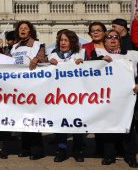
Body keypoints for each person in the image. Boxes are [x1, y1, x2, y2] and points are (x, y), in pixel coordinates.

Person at [91, 29, 138, 167]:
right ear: (104, 41)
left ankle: (130, 156)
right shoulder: (98, 54)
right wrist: (101, 61)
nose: (112, 40)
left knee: (129, 127)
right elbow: (90, 70)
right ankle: (109, 155)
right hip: (108, 98)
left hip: (127, 97)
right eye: (109, 37)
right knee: (108, 126)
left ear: (120, 40)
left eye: (115, 37)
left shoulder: (132, 55)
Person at [10, 20, 47, 160]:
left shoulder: (38, 45)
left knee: (33, 118)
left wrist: (37, 59)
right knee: (22, 118)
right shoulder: (14, 48)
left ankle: (37, 149)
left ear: (30, 31)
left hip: (33, 87)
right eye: (20, 28)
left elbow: (43, 59)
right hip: (18, 87)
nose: (23, 30)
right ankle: (25, 148)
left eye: (25, 28)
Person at [48, 29, 86, 163]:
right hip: (59, 96)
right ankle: (61, 149)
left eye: (66, 40)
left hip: (76, 96)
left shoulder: (80, 54)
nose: (62, 43)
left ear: (72, 42)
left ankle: (78, 149)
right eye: (61, 41)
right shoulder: (53, 55)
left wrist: (83, 63)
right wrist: (49, 64)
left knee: (76, 123)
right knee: (61, 123)